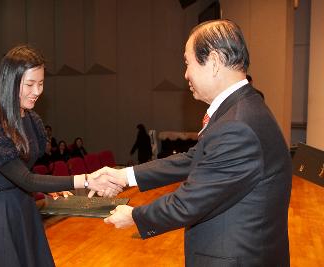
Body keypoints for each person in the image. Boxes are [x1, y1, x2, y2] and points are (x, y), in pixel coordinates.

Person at [98, 19, 292, 266]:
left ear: (213, 62)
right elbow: (196, 157)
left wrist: (135, 216)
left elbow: (189, 202)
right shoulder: (243, 108)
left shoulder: (237, 124)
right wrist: (125, 176)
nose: (186, 74)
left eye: (187, 63)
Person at [0, 45, 125, 267]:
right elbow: (26, 179)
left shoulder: (31, 119)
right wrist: (87, 179)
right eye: (30, 84)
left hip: (24, 206)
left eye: (41, 83)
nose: (37, 91)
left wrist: (50, 186)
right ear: (9, 82)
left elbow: (25, 173)